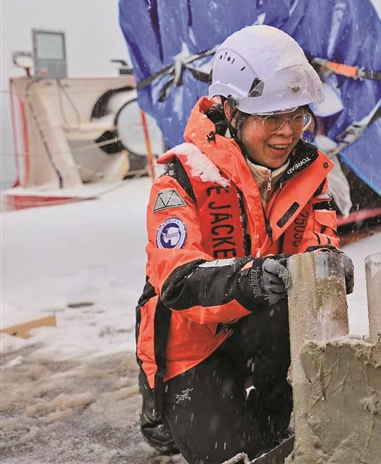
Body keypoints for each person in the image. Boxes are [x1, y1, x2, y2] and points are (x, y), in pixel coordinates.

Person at [135, 25, 354, 463]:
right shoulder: (182, 178)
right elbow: (177, 282)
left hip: (262, 337)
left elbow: (318, 240)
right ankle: (169, 412)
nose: (287, 132)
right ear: (231, 111)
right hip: (192, 346)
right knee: (231, 453)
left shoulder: (309, 174)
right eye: (271, 118)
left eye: (298, 116)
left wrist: (329, 262)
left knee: (274, 444)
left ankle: (267, 419)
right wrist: (248, 279)